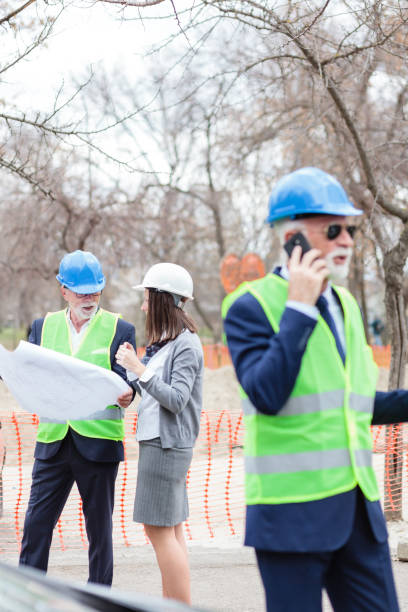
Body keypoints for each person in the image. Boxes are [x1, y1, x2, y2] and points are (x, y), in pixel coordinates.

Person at [223, 167, 408, 612]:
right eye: (333, 229)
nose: (346, 239)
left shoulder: (345, 304)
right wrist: (299, 308)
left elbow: (356, 407)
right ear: (293, 238)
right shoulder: (248, 307)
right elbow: (267, 395)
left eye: (350, 229)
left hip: (359, 517)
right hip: (291, 519)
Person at [19, 250, 136, 586]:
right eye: (82, 291)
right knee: (36, 525)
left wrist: (129, 393)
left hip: (99, 446)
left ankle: (99, 598)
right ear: (64, 290)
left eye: (95, 290)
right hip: (53, 443)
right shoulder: (42, 328)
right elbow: (27, 373)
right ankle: (28, 596)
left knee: (99, 531)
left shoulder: (119, 328)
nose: (90, 298)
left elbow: (128, 378)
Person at [116, 262, 203, 605]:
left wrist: (139, 369)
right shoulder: (168, 343)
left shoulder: (186, 345)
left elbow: (177, 400)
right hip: (161, 443)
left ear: (164, 299)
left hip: (166, 446)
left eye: (148, 298)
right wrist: (131, 385)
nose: (143, 306)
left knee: (157, 530)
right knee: (170, 529)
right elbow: (155, 389)